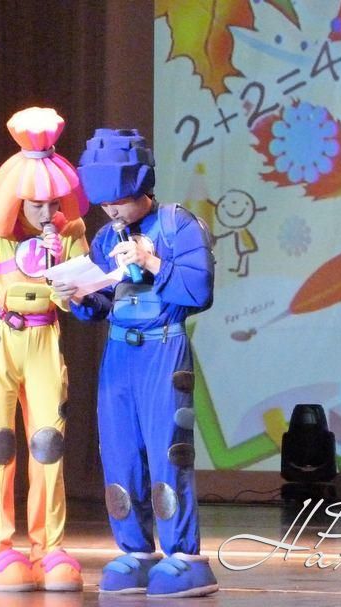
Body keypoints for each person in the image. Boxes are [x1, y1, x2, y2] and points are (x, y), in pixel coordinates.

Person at [53, 128, 218, 597]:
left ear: (141, 186)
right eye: (105, 204)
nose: (112, 212)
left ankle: (184, 554)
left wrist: (151, 262)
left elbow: (199, 291)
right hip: (119, 353)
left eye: (120, 202)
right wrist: (78, 294)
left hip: (164, 349)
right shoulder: (106, 236)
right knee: (120, 453)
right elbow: (103, 304)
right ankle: (135, 550)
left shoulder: (178, 225)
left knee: (169, 451)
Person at [0, 107, 89, 592]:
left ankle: (49, 548)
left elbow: (77, 300)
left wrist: (64, 276)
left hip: (45, 340)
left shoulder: (70, 235)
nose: (46, 212)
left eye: (53, 202)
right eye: (35, 204)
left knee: (49, 444)